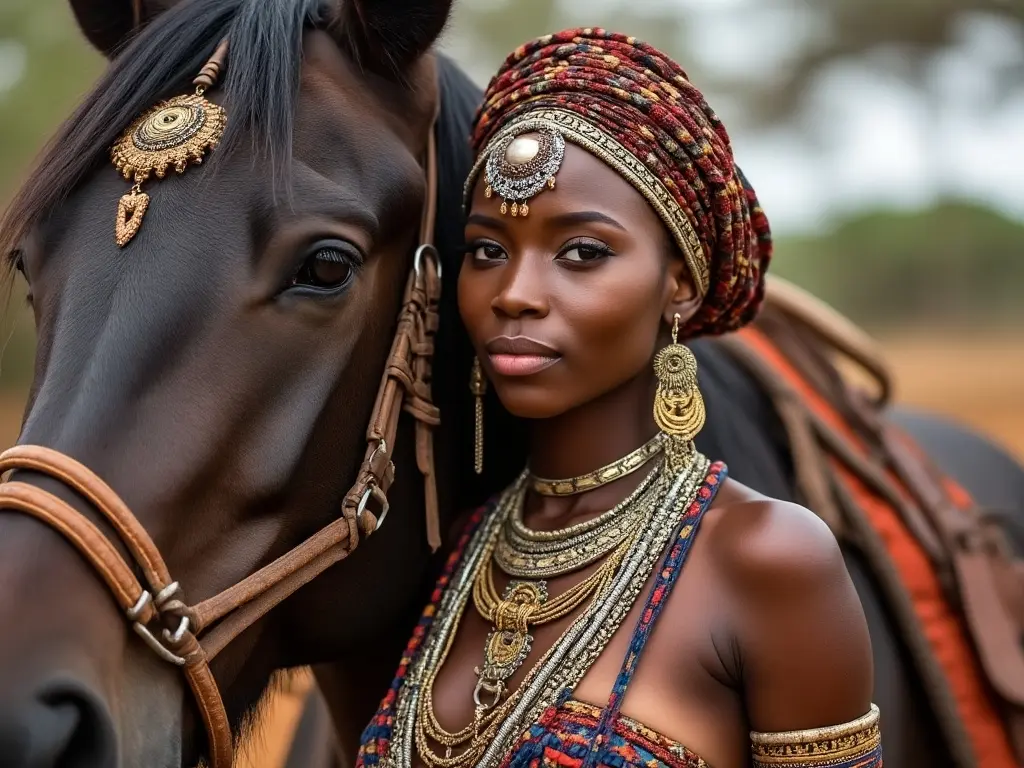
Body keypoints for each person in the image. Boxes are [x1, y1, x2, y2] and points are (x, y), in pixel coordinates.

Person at [357, 28, 881, 768]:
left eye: (582, 253)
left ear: (680, 283)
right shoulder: (453, 553)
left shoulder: (767, 560)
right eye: (487, 251)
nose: (515, 295)